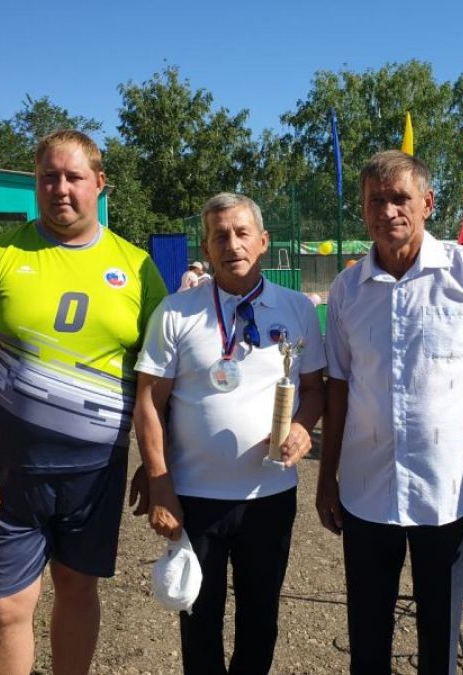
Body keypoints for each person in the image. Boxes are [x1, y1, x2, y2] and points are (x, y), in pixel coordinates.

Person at [0, 129, 167, 674]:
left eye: (73, 177)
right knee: (5, 608)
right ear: (36, 183)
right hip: (8, 475)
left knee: (77, 588)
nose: (60, 188)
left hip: (95, 474)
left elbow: (157, 382)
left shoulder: (137, 267)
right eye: (48, 177)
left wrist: (156, 464)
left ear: (99, 183)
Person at [316, 151, 463, 675]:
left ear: (428, 203)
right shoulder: (347, 289)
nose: (388, 211)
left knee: (440, 641)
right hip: (367, 493)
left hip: (449, 494)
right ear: (363, 211)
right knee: (367, 639)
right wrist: (326, 481)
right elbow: (338, 388)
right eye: (375, 201)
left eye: (400, 198)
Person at [134, 192, 325, 675]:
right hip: (195, 498)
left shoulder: (297, 309)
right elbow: (149, 403)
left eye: (242, 233)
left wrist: (302, 427)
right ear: (206, 246)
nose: (232, 244)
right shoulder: (176, 312)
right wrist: (160, 484)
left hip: (269, 497)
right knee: (198, 619)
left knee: (261, 620)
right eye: (219, 235)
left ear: (263, 241)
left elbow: (314, 389)